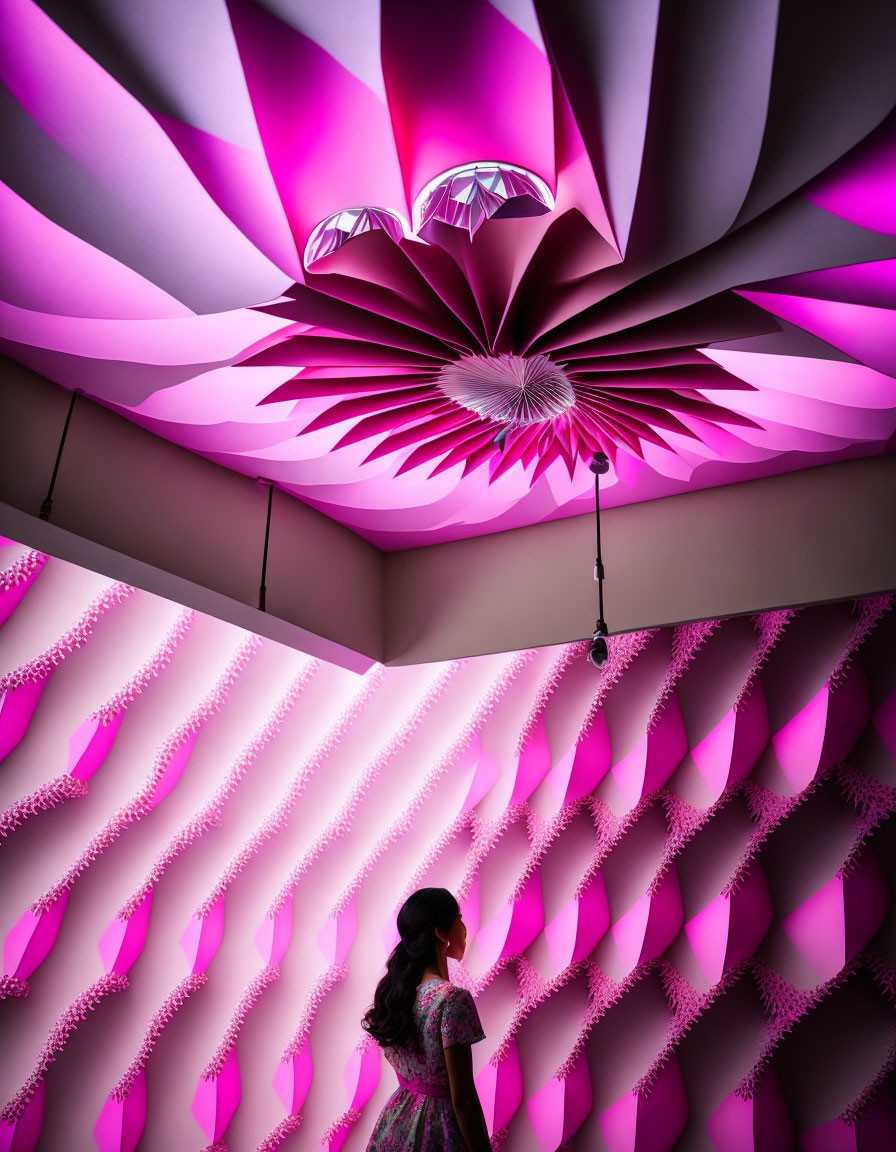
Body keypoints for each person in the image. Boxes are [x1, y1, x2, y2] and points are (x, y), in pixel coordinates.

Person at [362, 888, 491, 1151]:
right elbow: (463, 1099)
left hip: (397, 1123)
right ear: (440, 933)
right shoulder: (452, 999)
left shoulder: (396, 993)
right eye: (459, 918)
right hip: (440, 1131)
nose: (464, 927)